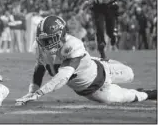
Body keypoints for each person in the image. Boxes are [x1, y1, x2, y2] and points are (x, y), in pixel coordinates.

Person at [15, 15, 156, 106]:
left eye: (49, 40)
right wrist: (32, 91)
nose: (45, 44)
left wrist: (38, 93)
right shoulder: (40, 48)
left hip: (102, 67)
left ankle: (138, 89)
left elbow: (62, 77)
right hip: (93, 90)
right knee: (128, 97)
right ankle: (150, 93)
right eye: (43, 40)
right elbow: (39, 71)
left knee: (130, 74)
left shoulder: (72, 45)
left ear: (61, 35)